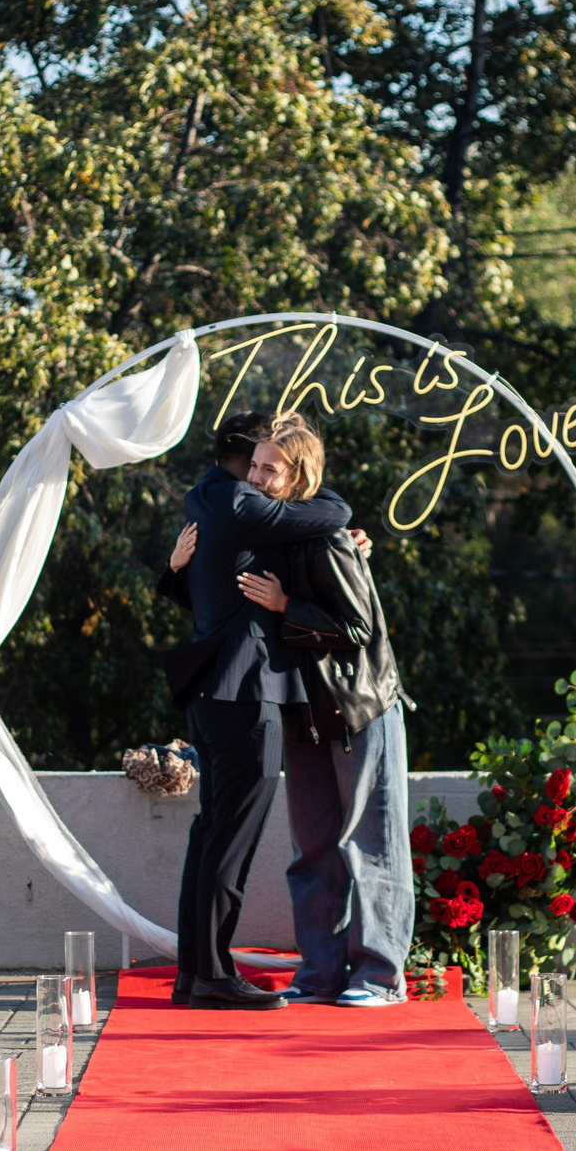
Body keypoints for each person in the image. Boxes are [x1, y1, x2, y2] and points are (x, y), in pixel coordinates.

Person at [160, 411, 354, 1010]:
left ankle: (196, 973)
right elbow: (335, 511)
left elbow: (189, 581)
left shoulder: (202, 498)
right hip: (245, 693)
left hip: (211, 694)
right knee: (231, 840)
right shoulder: (241, 504)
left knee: (211, 833)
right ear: (248, 459)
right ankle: (215, 976)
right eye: (262, 461)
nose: (263, 474)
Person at [229, 417, 411, 1005]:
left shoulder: (330, 538)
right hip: (306, 714)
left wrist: (287, 606)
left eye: (268, 469)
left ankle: (380, 977)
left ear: (297, 476)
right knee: (313, 849)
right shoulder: (271, 534)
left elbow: (357, 627)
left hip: (360, 711)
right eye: (252, 466)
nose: (254, 477)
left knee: (371, 845)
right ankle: (321, 974)